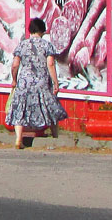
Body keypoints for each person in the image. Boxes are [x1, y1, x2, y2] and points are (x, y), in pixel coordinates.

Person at [5, 17, 68, 149]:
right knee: (49, 107)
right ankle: (55, 137)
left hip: (24, 82)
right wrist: (56, 83)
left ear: (30, 30)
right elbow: (50, 64)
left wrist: (14, 79)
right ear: (43, 31)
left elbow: (15, 65)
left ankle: (18, 139)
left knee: (20, 109)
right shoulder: (47, 45)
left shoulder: (22, 44)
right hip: (41, 81)